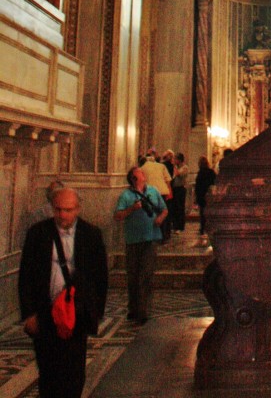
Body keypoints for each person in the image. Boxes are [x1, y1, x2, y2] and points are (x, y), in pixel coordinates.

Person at [19, 187, 108, 398]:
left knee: (74, 370)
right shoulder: (38, 233)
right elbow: (26, 275)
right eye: (58, 210)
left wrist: (95, 312)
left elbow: (100, 277)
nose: (63, 215)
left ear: (77, 209)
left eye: (68, 210)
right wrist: (29, 313)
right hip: (46, 310)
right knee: (48, 371)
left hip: (76, 312)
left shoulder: (91, 234)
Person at [114, 167, 167, 325]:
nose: (144, 175)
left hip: (150, 238)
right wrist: (132, 209)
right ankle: (133, 308)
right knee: (133, 275)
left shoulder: (153, 191)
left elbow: (164, 209)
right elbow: (117, 216)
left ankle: (143, 310)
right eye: (140, 173)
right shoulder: (126, 195)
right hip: (133, 239)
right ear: (134, 178)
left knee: (146, 274)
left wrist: (160, 219)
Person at [194, 155, 216, 238]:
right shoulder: (211, 172)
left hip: (201, 195)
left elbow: (197, 186)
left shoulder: (200, 173)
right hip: (210, 194)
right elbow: (215, 182)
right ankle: (210, 228)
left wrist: (196, 197)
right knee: (210, 212)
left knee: (202, 213)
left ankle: (203, 228)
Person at [170, 152, 189, 232]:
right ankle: (175, 225)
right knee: (175, 207)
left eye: (175, 159)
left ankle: (180, 226)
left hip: (180, 189)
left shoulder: (184, 167)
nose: (174, 160)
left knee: (180, 207)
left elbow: (178, 174)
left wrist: (174, 166)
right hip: (175, 189)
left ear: (179, 160)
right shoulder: (176, 167)